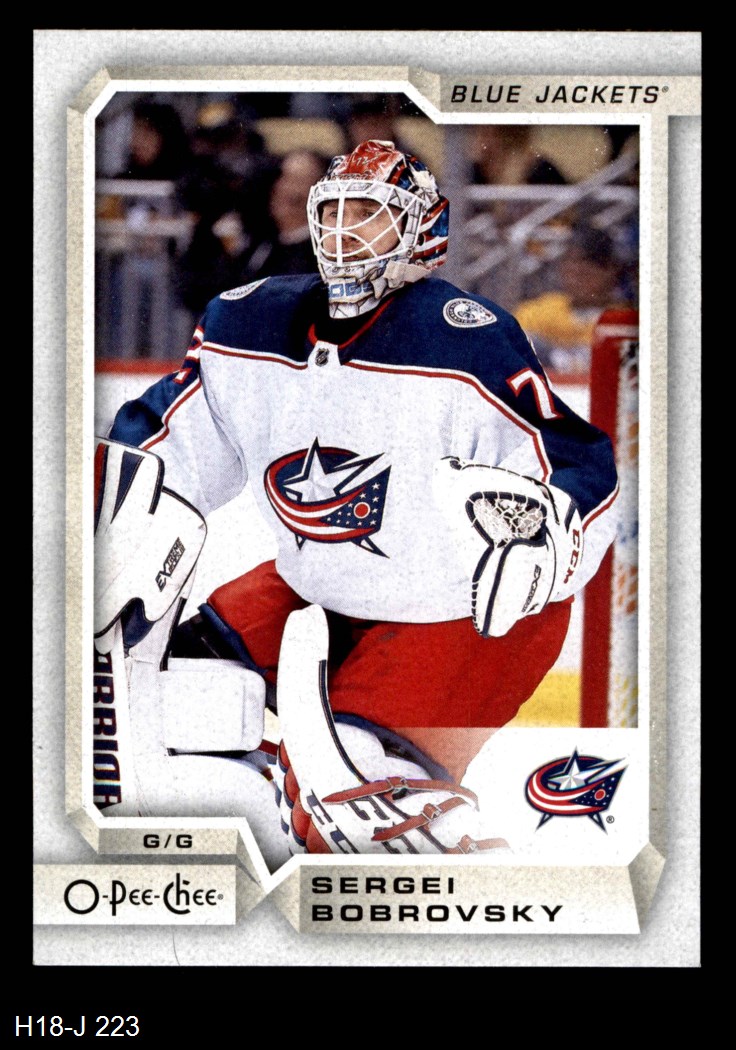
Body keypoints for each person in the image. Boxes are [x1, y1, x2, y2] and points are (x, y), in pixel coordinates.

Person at [106, 140, 618, 857]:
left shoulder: (463, 339)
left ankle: (446, 863)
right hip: (316, 589)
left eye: (369, 214)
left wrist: (548, 534)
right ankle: (267, 821)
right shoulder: (247, 323)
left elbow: (576, 461)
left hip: (460, 616)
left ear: (420, 230)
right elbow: (155, 448)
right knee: (167, 703)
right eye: (335, 211)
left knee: (355, 799)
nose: (345, 231)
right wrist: (93, 510)